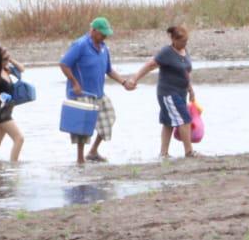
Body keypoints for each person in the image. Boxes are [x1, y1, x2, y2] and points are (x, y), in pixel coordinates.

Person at [59, 17, 131, 165]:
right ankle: (80, 159)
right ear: (93, 30)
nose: (105, 36)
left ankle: (93, 151)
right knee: (82, 127)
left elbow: (109, 70)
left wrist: (124, 82)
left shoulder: (104, 48)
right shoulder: (80, 45)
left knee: (109, 117)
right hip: (81, 93)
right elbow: (64, 64)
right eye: (102, 33)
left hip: (98, 93)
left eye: (106, 34)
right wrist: (75, 83)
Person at [130, 25, 199, 159]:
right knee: (185, 119)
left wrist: (191, 90)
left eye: (186, 41)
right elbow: (150, 65)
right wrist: (134, 79)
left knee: (168, 122)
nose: (185, 43)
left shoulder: (185, 51)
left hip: (181, 92)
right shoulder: (166, 52)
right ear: (173, 39)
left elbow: (186, 72)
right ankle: (189, 152)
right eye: (182, 41)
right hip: (168, 93)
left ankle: (163, 154)